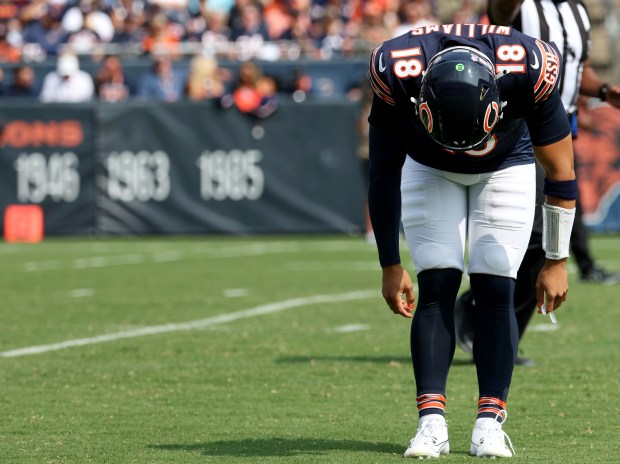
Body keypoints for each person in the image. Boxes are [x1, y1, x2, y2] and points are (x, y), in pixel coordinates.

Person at [368, 25, 577, 458]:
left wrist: (557, 259)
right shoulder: (396, 68)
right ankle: (431, 424)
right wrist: (390, 262)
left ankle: (489, 422)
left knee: (496, 285)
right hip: (427, 165)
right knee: (436, 283)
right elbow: (383, 170)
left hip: (506, 164)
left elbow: (561, 172)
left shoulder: (530, 68)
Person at [454, 0, 620, 366]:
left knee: (548, 231)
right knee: (534, 237)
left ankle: (494, 330)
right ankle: (482, 320)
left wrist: (607, 91)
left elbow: (579, 70)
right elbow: (499, 14)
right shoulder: (524, 7)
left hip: (561, 128)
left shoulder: (577, 11)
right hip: (521, 130)